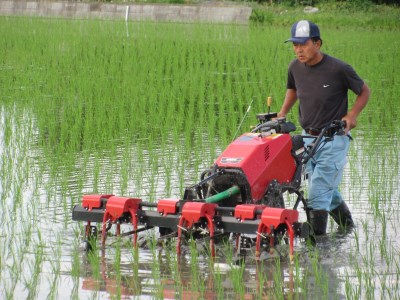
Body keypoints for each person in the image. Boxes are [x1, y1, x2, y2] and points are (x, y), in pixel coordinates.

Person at [277, 20, 370, 235]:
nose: (298, 49)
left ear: (317, 43)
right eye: (294, 45)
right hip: (307, 139)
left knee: (317, 192)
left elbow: (364, 91)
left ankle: (316, 249)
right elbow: (293, 90)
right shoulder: (294, 67)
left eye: (303, 44)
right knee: (326, 188)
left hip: (333, 138)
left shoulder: (339, 68)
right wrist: (282, 113)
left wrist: (352, 115)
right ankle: (347, 227)